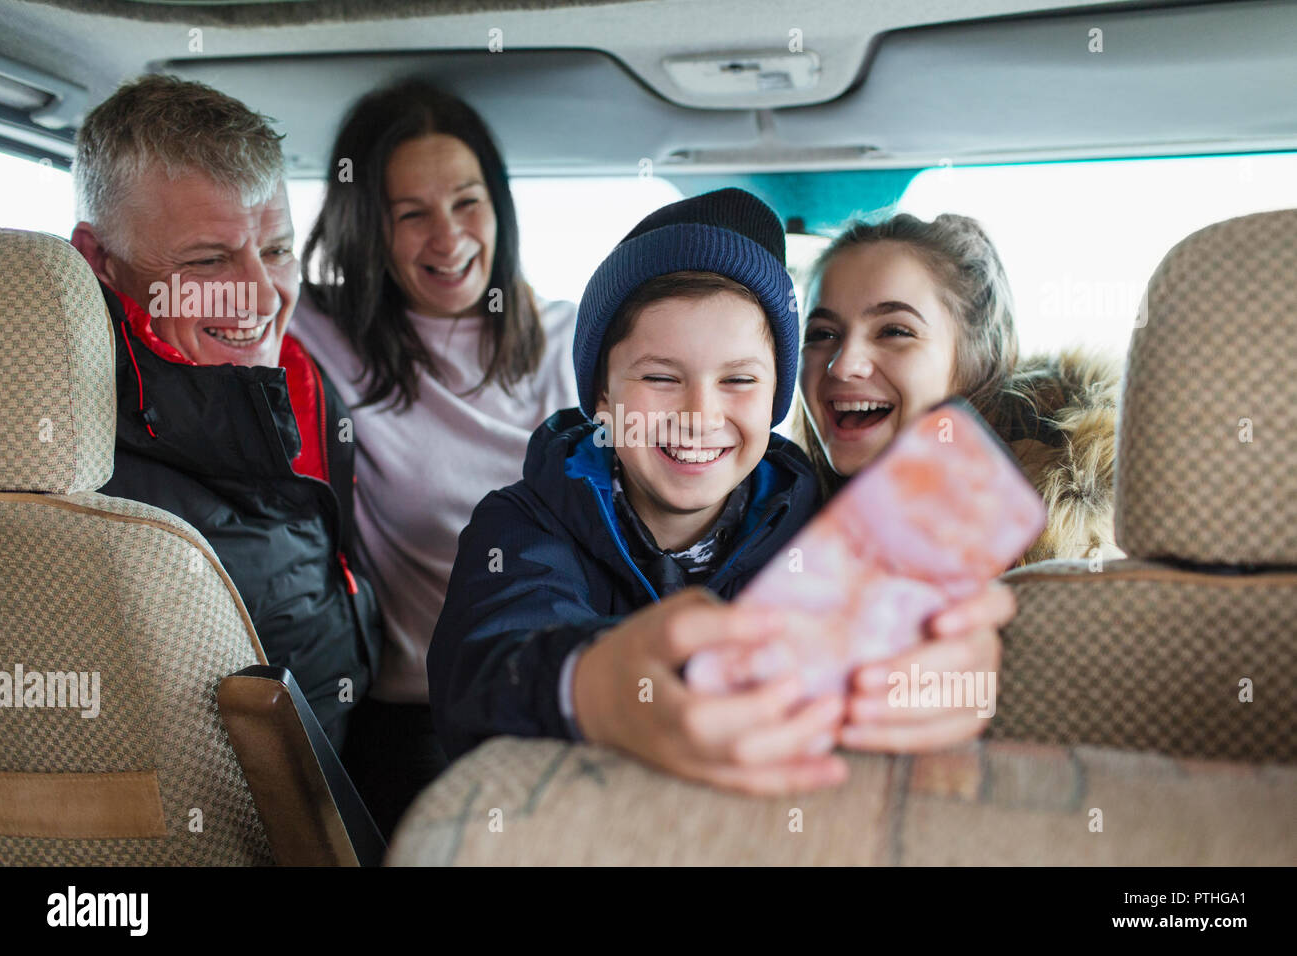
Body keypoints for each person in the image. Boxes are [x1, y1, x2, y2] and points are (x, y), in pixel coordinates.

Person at [430, 189, 1015, 793]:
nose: (699, 415)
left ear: (774, 401)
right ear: (602, 396)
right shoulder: (523, 521)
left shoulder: (828, 525)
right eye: (660, 377)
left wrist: (952, 671)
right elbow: (480, 669)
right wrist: (594, 683)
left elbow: (898, 641)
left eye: (738, 379)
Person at [290, 79, 578, 835]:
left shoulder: (571, 340)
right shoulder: (326, 332)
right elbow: (203, 273)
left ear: (499, 206)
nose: (447, 239)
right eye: (409, 215)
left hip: (560, 703)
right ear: (368, 230)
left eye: (466, 202)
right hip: (413, 720)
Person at [69, 75, 382, 751]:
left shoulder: (297, 378)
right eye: (209, 261)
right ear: (99, 260)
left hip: (343, 760)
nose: (262, 298)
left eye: (276, 251)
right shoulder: (71, 455)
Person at [793, 213, 1123, 574]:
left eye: (894, 331)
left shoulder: (1070, 560)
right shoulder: (775, 528)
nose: (842, 366)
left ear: (977, 360)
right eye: (822, 334)